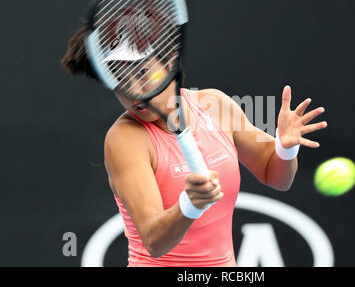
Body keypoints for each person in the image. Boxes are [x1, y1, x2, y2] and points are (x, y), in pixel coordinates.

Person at [61, 27, 327, 267]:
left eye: (142, 72)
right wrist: (189, 205)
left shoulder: (216, 105)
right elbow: (154, 241)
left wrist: (285, 149)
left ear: (171, 63)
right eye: (119, 80)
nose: (133, 90)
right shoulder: (125, 139)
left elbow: (277, 177)